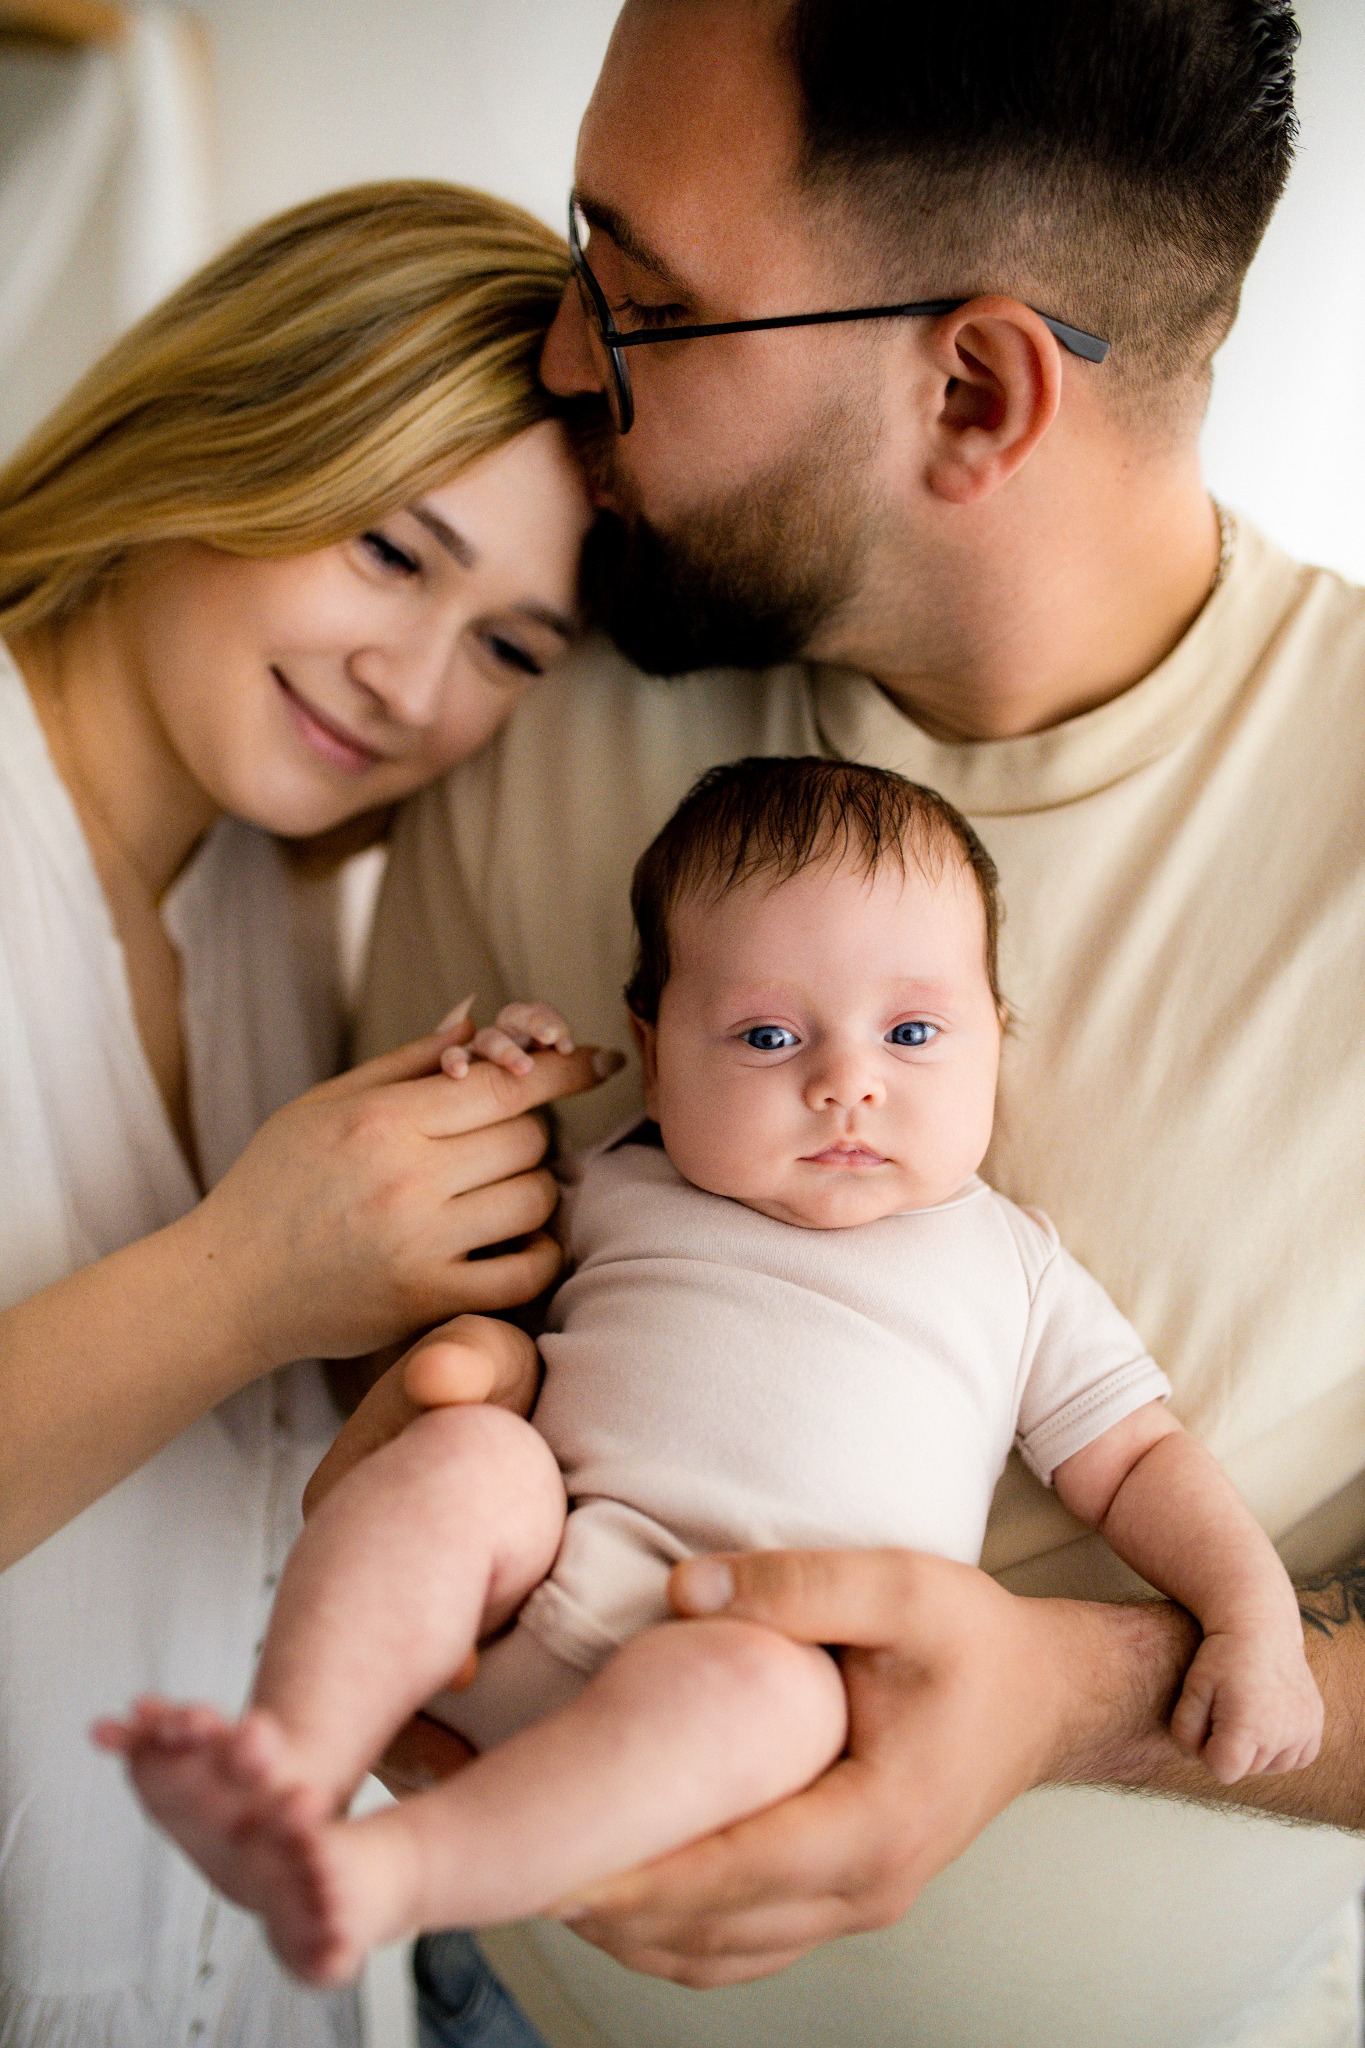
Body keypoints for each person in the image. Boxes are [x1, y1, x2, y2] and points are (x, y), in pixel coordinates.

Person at [347, 4, 1365, 2046]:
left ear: (973, 394)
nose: (562, 359)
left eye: (639, 303)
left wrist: (1070, 1701)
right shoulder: (547, 665)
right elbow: (400, 1306)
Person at [109, 757, 1324, 1989]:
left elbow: (1137, 1458)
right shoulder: (618, 1176)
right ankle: (289, 1766)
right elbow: (460, 1234)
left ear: (994, 1040)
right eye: (766, 1033)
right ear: (652, 1045)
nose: (845, 1080)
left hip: (731, 1690)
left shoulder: (1012, 1266)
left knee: (783, 1693)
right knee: (470, 1456)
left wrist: (1251, 1612)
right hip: (514, 1600)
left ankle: (392, 1873)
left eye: (912, 1032)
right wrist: (494, 1079)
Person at [0, 180, 618, 2048]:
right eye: (388, 552)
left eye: (511, 646)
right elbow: (227, 1303)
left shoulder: (268, 893)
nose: (417, 686)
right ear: (226, 430)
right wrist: (248, 1275)